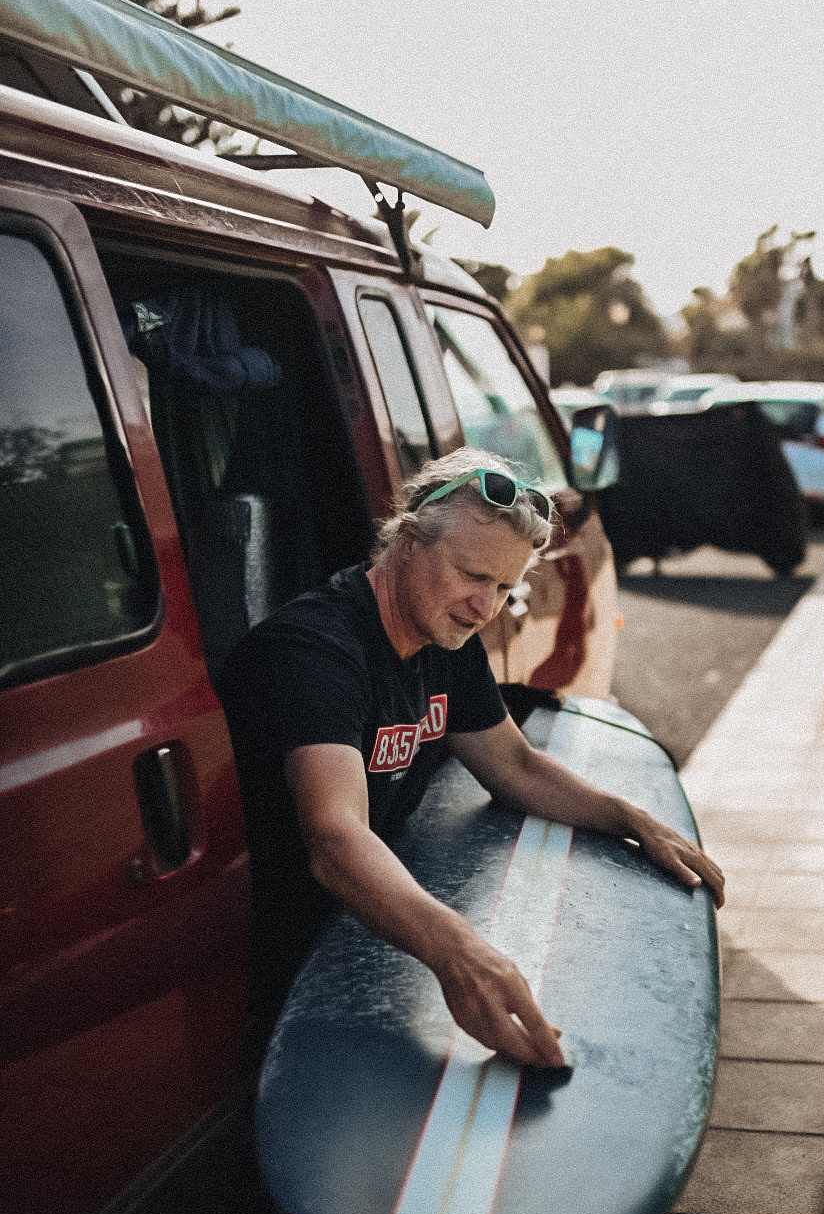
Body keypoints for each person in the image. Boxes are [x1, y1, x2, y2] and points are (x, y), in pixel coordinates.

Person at [220, 448, 725, 1070]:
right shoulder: (316, 651)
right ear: (408, 540)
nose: (487, 606)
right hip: (276, 960)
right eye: (472, 576)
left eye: (506, 586)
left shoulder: (442, 633)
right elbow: (334, 836)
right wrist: (460, 954)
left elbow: (513, 767)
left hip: (374, 930)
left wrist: (628, 818)